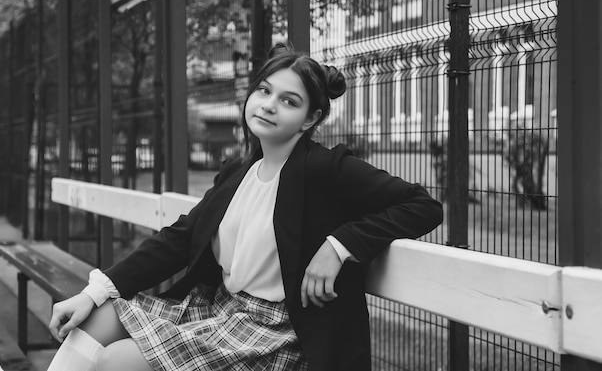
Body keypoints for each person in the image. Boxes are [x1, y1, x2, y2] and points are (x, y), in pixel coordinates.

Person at [47, 43, 443, 371]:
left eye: (289, 101)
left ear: (311, 119)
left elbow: (422, 206)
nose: (269, 105)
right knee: (95, 318)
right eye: (264, 91)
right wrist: (93, 292)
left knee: (116, 362)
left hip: (277, 333)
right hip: (221, 310)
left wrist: (339, 246)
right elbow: (179, 240)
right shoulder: (239, 172)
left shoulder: (326, 167)